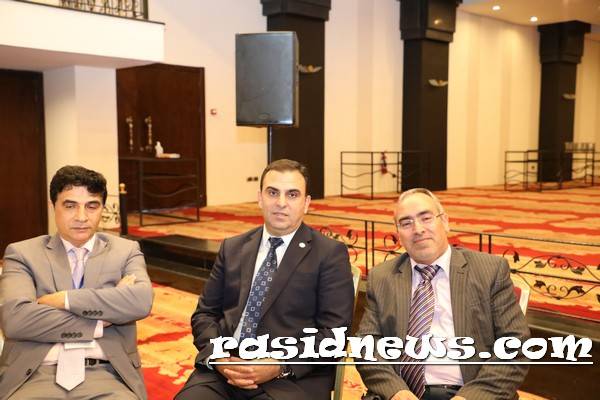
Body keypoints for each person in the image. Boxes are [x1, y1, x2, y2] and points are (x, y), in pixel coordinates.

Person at [176, 159, 355, 400]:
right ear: (260, 198)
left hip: (290, 379)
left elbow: (335, 334)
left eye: (292, 194)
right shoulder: (233, 248)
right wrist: (220, 357)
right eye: (272, 193)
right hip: (225, 370)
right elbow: (205, 314)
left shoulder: (329, 254)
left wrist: (278, 364)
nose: (281, 203)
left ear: (306, 203)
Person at [356, 188, 530, 400]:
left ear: (445, 222)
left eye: (426, 218)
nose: (418, 229)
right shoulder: (382, 277)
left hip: (469, 391)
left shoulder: (489, 271)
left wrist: (470, 397)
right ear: (398, 233)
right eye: (406, 223)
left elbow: (515, 344)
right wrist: (396, 391)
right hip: (404, 392)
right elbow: (367, 345)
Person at [0, 165, 154, 400]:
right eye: (70, 205)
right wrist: (102, 320)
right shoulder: (22, 253)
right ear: (53, 206)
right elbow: (16, 320)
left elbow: (141, 302)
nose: (82, 217)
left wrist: (64, 300)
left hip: (108, 374)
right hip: (35, 374)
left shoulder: (126, 251)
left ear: (102, 208)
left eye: (92, 206)